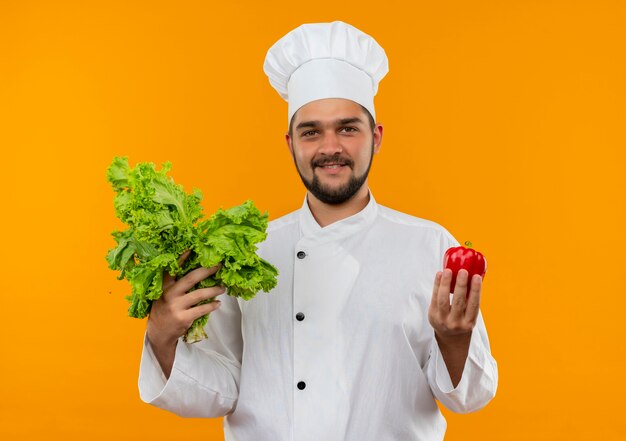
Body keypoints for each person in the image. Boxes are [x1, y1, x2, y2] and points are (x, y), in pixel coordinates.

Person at [138, 21, 498, 441]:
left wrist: (454, 341)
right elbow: (219, 389)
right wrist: (162, 337)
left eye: (348, 128)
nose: (331, 147)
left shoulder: (431, 246)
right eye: (311, 132)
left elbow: (469, 398)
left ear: (376, 137)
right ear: (291, 143)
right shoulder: (249, 252)